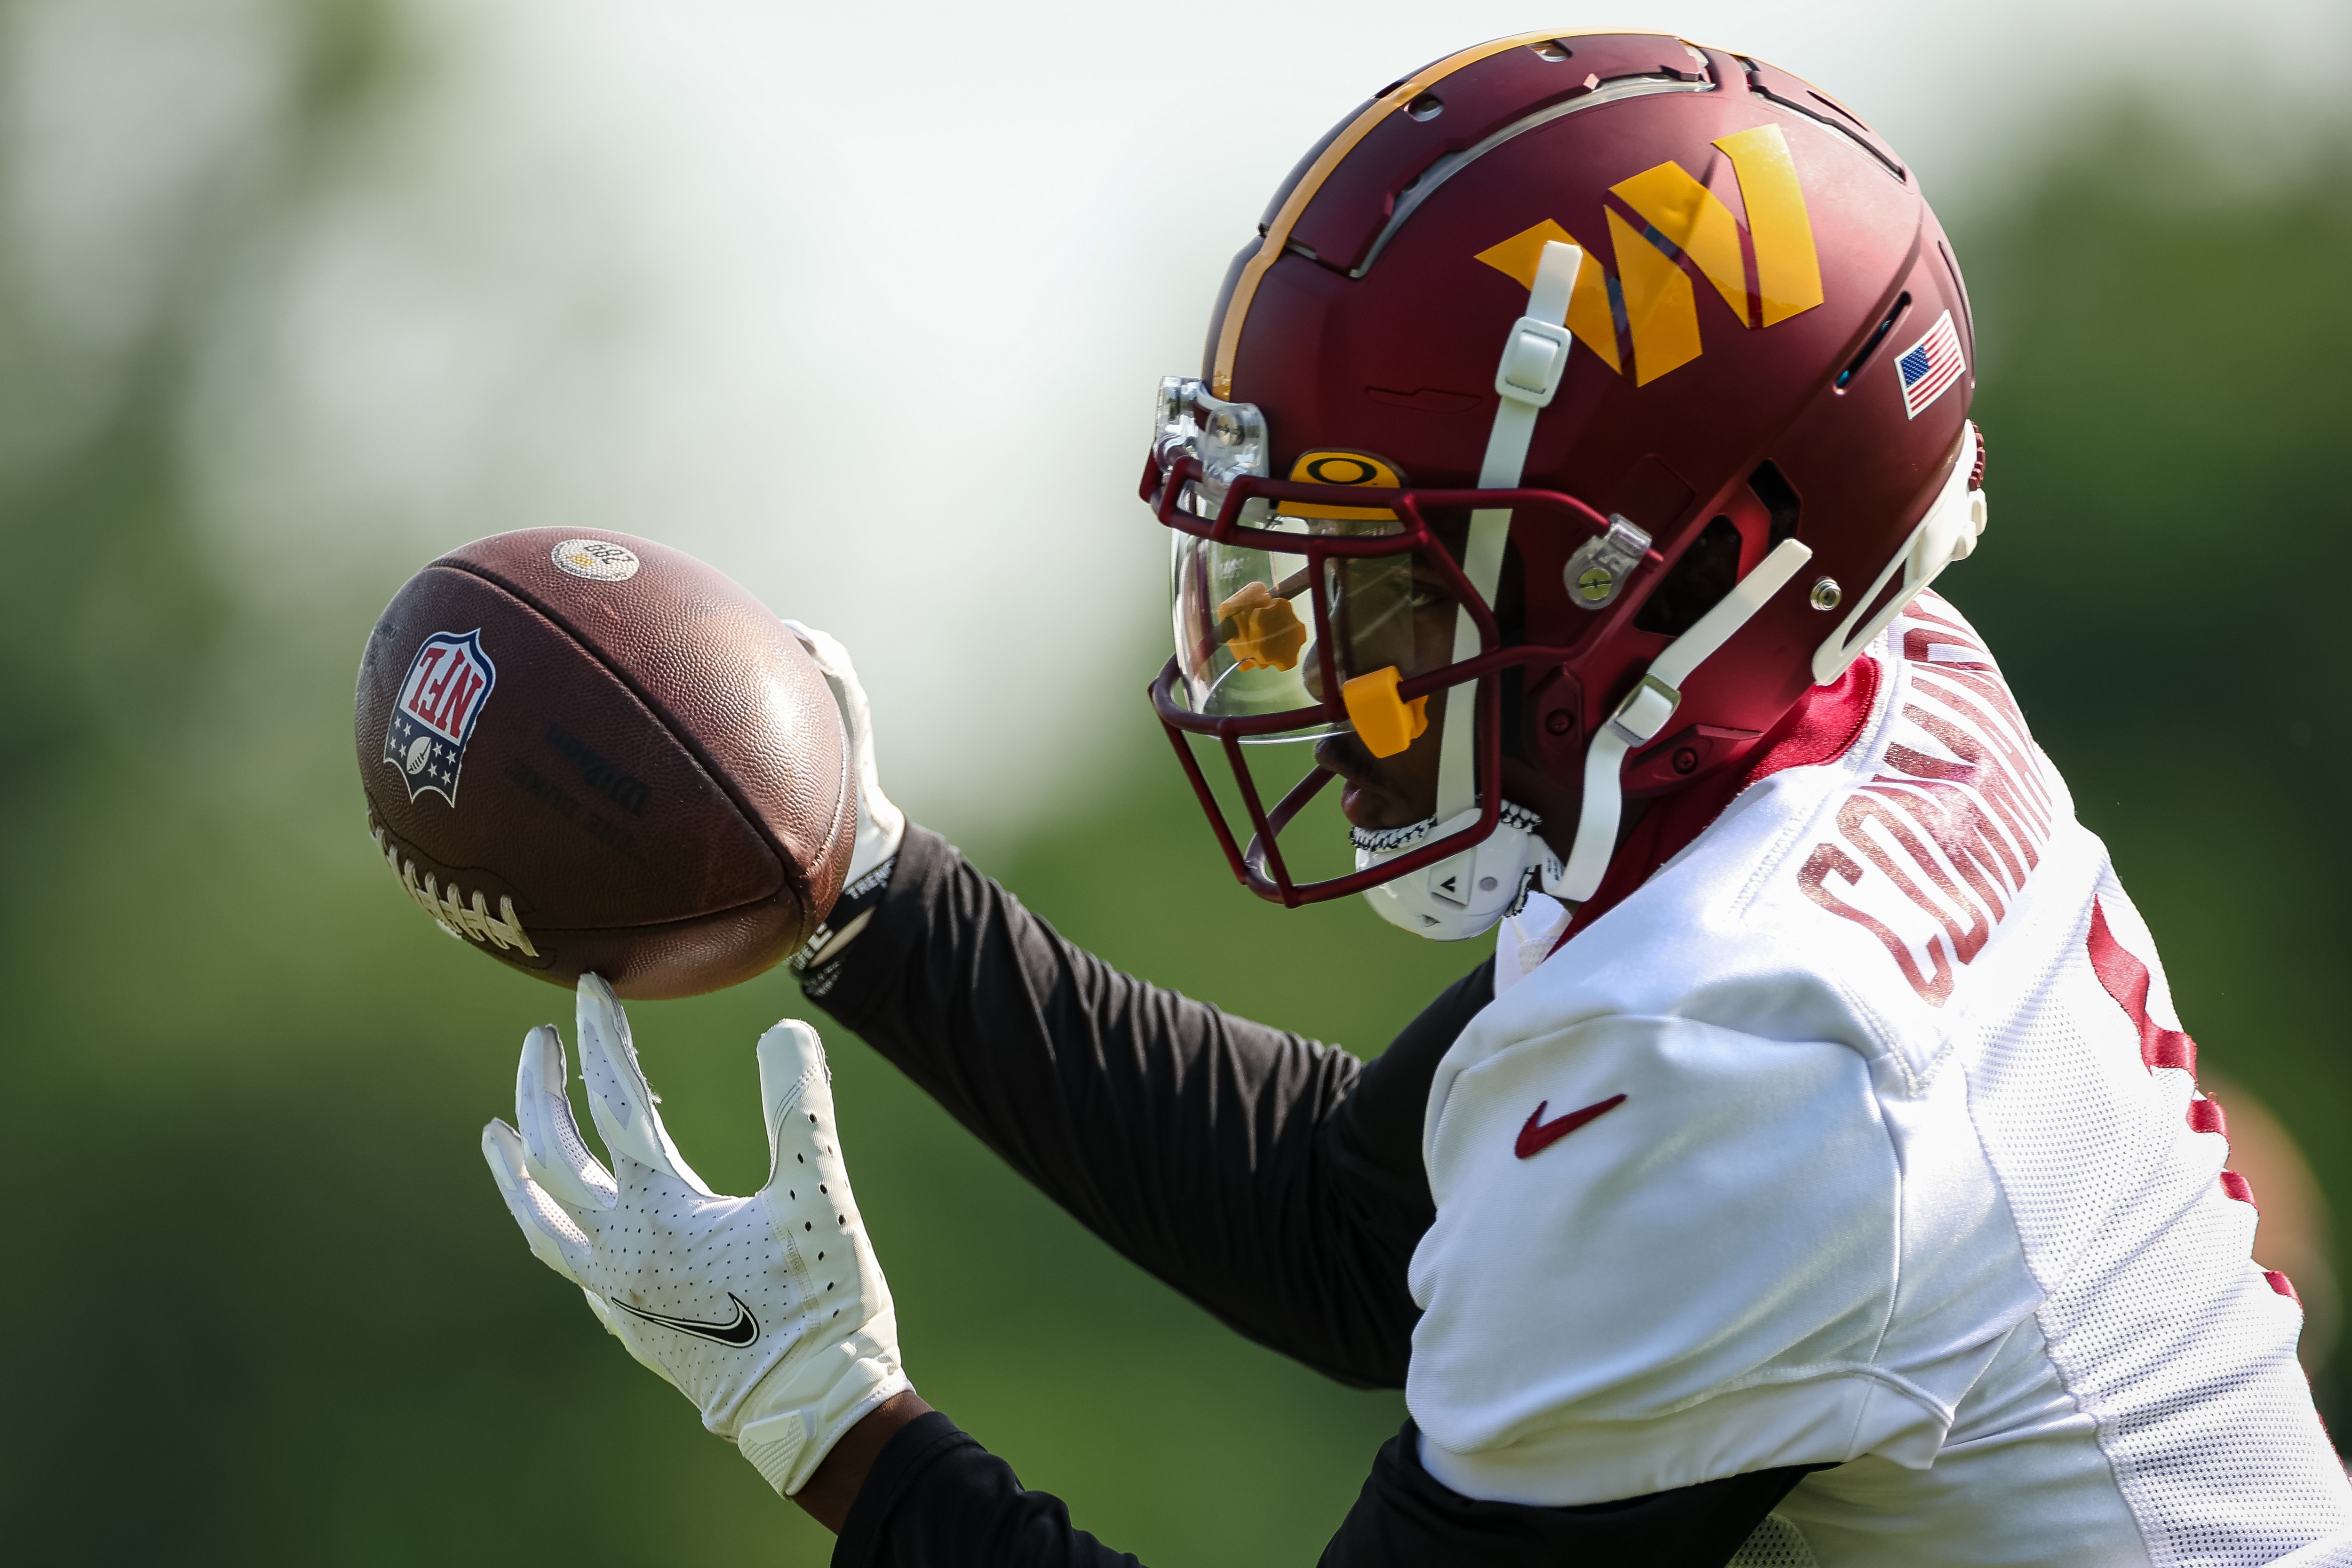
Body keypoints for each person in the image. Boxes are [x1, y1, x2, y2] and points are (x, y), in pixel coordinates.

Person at [477, 30, 2352, 1565]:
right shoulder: (1845, 711)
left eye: (1388, 571)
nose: (1318, 660)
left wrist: (837, 1436)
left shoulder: (1752, 1059)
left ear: (1661, 574)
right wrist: (872, 894)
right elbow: (1361, 1231)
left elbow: (1461, 1218)